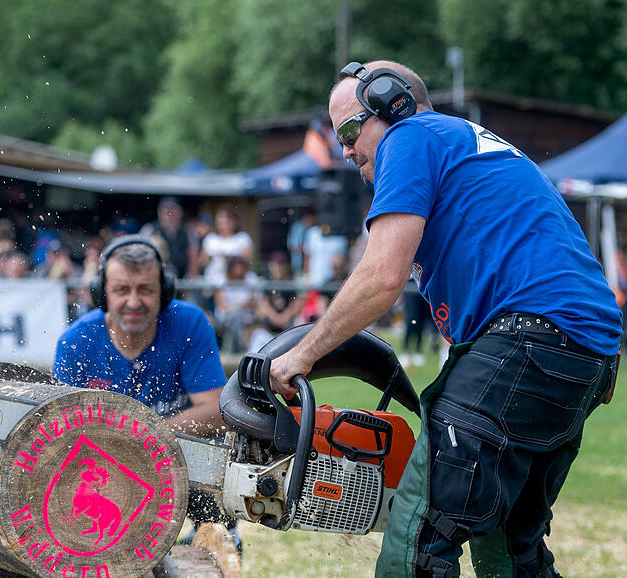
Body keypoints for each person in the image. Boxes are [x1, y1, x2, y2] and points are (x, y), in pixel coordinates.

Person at [268, 60, 622, 577]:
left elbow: (382, 277)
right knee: (509, 549)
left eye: (349, 131)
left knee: (418, 535)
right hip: (584, 351)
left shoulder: (409, 137)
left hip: (528, 336)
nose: (345, 151)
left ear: (392, 104)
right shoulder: (461, 143)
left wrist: (300, 356)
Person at [52, 236, 238, 547]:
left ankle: (217, 538)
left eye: (146, 290)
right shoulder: (76, 341)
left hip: (177, 454)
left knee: (217, 461)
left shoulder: (189, 323)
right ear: (102, 292)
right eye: (122, 290)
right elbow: (61, 433)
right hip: (104, 464)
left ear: (163, 291)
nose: (134, 302)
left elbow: (216, 410)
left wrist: (145, 437)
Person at [140, 196, 198, 278]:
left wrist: (190, 279)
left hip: (181, 279)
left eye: (171, 211)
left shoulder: (188, 232)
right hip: (155, 276)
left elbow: (193, 258)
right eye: (164, 210)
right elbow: (141, 255)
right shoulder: (149, 229)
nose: (167, 214)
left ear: (180, 212)